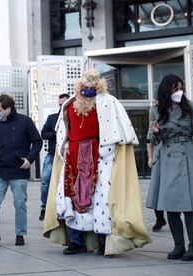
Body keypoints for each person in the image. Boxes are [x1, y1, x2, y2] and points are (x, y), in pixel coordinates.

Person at [43, 69, 151, 256]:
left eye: (92, 86)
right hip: (74, 156)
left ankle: (103, 241)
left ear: (98, 85)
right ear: (80, 86)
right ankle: (77, 242)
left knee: (101, 199)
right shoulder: (68, 104)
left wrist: (106, 150)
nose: (88, 89)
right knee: (72, 196)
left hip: (100, 157)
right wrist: (64, 147)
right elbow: (62, 131)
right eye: (85, 86)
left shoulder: (109, 102)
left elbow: (117, 130)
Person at [146, 74, 193, 261]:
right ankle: (178, 246)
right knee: (170, 207)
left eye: (181, 88)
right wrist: (156, 133)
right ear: (167, 89)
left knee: (188, 206)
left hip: (187, 154)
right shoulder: (156, 110)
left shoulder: (189, 106)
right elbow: (152, 139)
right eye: (176, 88)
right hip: (167, 157)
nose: (179, 92)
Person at [0, 94, 42, 247]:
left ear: (8, 109)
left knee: (19, 204)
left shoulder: (25, 122)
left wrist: (29, 159)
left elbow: (37, 142)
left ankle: (20, 234)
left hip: (19, 170)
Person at [39, 93, 70, 221]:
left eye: (64, 105)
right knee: (45, 180)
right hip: (53, 154)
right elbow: (43, 134)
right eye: (59, 105)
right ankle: (44, 207)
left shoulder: (74, 117)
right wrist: (57, 134)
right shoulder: (52, 118)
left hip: (69, 154)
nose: (61, 107)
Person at [146, 132, 167, 232]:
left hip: (176, 155)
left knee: (175, 189)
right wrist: (150, 157)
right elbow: (148, 139)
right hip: (159, 156)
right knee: (156, 189)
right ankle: (159, 218)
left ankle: (176, 215)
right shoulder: (155, 117)